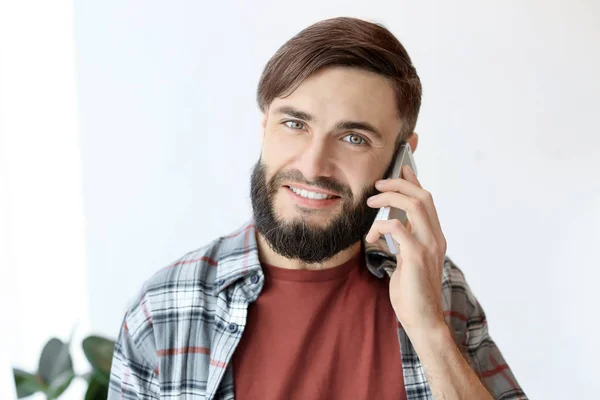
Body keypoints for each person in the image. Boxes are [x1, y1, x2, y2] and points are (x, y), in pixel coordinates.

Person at [108, 17, 527, 400]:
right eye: (294, 124)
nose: (312, 166)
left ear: (402, 158)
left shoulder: (439, 288)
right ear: (265, 126)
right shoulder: (164, 309)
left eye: (354, 138)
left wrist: (431, 331)